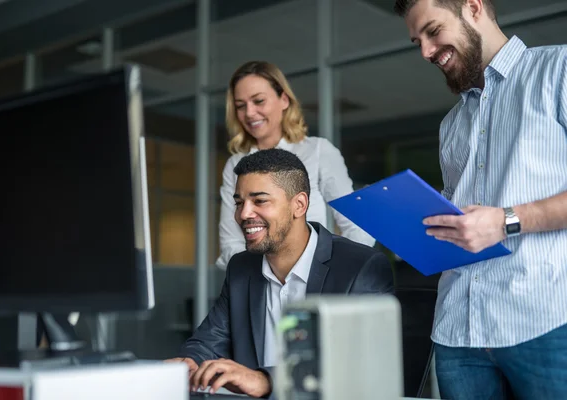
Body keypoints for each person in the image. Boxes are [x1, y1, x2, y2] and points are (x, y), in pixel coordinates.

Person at [394, 0, 567, 398]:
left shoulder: (557, 71)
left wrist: (505, 220)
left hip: (545, 322)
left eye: (433, 31)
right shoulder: (451, 125)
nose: (425, 52)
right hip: (458, 331)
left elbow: (494, 221)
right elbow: (461, 223)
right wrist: (420, 225)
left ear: (473, 8)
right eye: (417, 41)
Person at [168, 148, 394, 398]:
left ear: (299, 205)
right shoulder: (241, 268)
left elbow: (360, 366)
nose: (243, 214)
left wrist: (267, 380)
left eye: (260, 200)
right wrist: (190, 360)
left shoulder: (361, 266)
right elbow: (209, 340)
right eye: (239, 202)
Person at [215, 60, 376, 270]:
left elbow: (357, 226)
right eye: (240, 106)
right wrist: (260, 279)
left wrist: (335, 275)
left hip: (315, 287)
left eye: (259, 101)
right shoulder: (235, 164)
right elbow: (231, 243)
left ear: (283, 99)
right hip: (257, 288)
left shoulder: (318, 151)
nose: (250, 113)